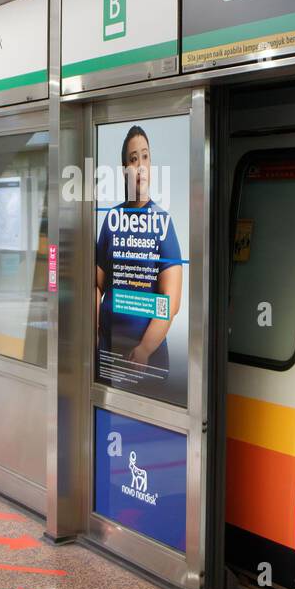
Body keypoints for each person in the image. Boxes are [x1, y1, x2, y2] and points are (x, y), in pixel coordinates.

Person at [95, 125, 184, 391]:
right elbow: (97, 285)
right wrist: (94, 333)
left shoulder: (162, 223)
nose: (141, 165)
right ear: (125, 170)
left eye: (145, 157)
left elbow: (171, 301)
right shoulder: (112, 220)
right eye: (134, 159)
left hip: (147, 361)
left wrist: (145, 349)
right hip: (109, 352)